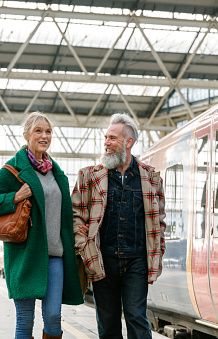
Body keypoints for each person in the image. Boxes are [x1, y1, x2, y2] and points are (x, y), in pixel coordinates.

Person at [0, 112, 84, 339]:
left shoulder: (56, 173)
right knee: (25, 320)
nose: (44, 136)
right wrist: (14, 197)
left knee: (54, 317)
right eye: (38, 131)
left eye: (48, 132)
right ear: (26, 135)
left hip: (55, 256)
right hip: (25, 257)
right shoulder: (12, 170)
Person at [72, 113, 166, 339]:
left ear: (128, 142)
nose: (106, 142)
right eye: (106, 137)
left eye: (112, 138)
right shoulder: (89, 177)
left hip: (137, 261)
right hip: (102, 261)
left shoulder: (151, 178)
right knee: (108, 323)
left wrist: (158, 251)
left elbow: (159, 220)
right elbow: (75, 214)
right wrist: (83, 242)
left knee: (136, 317)